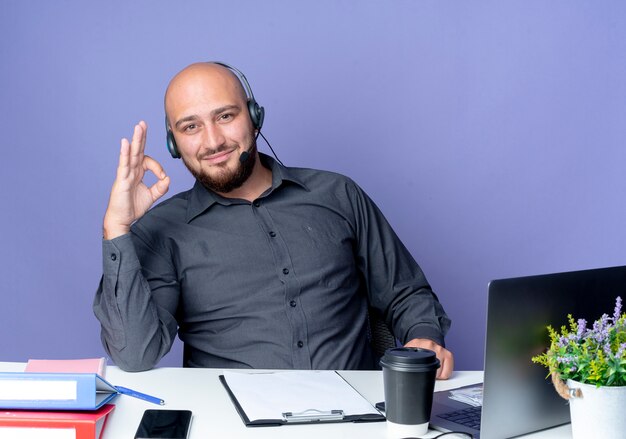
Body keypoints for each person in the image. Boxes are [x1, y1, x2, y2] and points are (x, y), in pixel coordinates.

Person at [93, 62, 454, 378]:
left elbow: (404, 292)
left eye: (225, 116)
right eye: (191, 127)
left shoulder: (338, 194)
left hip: (354, 416)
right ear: (174, 144)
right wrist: (117, 229)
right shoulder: (162, 230)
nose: (213, 141)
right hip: (229, 423)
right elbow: (136, 355)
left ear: (254, 116)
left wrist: (423, 335)